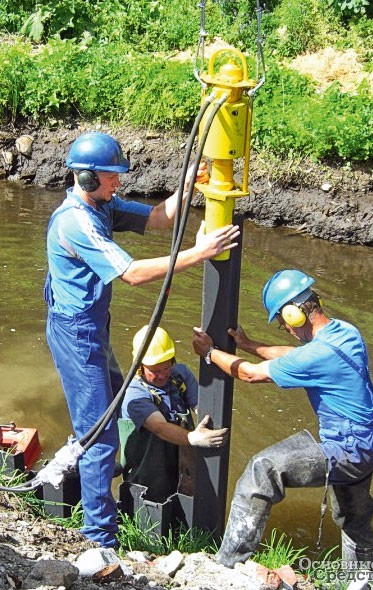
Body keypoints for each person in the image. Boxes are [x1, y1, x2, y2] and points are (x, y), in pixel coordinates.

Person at [44, 131, 239, 548]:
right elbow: (131, 273)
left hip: (92, 329)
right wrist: (200, 252)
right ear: (88, 178)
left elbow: (156, 219)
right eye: (112, 177)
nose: (119, 183)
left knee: (107, 409)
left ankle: (84, 456)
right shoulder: (76, 222)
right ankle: (100, 540)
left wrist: (186, 187)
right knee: (101, 436)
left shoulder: (101, 206)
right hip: (77, 336)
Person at [192, 269, 373, 569]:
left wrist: (210, 353)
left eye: (283, 321)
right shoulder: (345, 332)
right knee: (353, 516)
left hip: (346, 449)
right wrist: (248, 344)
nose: (284, 328)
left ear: (294, 314)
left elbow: (249, 374)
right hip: (371, 442)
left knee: (263, 470)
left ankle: (226, 565)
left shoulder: (316, 355)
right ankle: (360, 580)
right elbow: (292, 354)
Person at [119, 325, 228, 503]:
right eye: (155, 371)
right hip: (146, 478)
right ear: (140, 366)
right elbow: (160, 427)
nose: (162, 375)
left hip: (180, 466)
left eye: (166, 367)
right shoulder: (135, 394)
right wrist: (194, 438)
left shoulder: (180, 376)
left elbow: (201, 407)